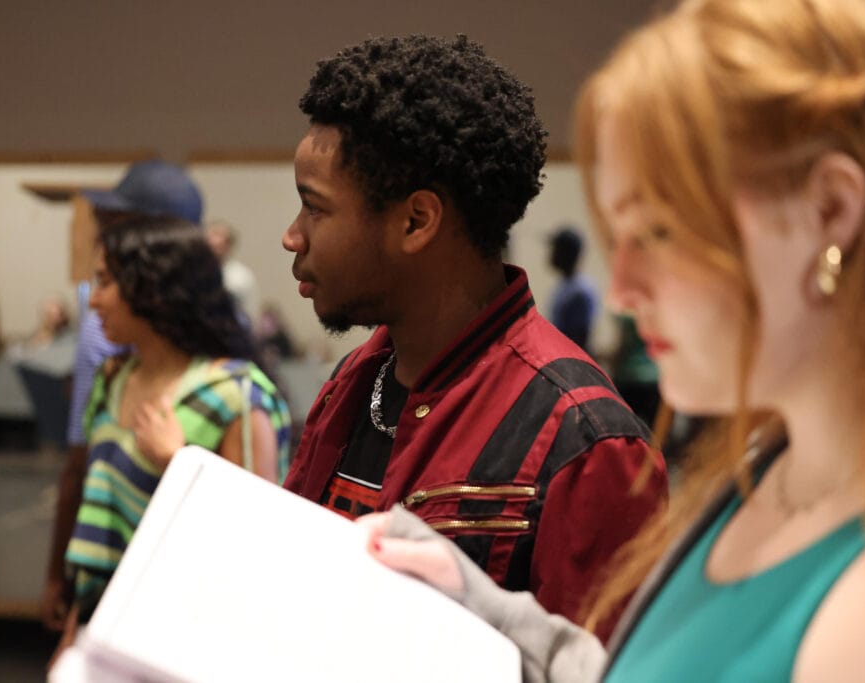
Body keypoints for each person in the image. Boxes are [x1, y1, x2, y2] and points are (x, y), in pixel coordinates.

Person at [364, 0, 865, 680]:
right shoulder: (767, 462)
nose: (626, 289)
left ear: (830, 210)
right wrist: (487, 615)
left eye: (660, 231)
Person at [282, 34, 667, 639]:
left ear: (416, 221)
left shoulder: (586, 441)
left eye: (315, 208)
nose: (292, 236)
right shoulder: (354, 382)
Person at [51, 216, 291, 660]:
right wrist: (71, 635)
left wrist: (179, 462)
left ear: (153, 287)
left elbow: (260, 541)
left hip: (180, 638)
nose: (94, 301)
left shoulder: (234, 393)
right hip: (99, 631)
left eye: (105, 282)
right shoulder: (114, 380)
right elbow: (98, 521)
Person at [41, 159, 208, 631]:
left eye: (118, 227)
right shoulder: (114, 352)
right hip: (126, 596)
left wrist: (58, 577)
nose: (96, 297)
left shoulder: (231, 383)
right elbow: (86, 473)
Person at [547, 226, 598, 351]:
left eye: (555, 249)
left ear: (566, 253)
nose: (551, 254)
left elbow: (579, 339)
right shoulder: (564, 286)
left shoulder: (580, 291)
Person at [206, 220, 261, 328]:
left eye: (218, 236)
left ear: (228, 245)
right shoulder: (194, 271)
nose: (213, 241)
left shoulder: (241, 277)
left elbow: (249, 316)